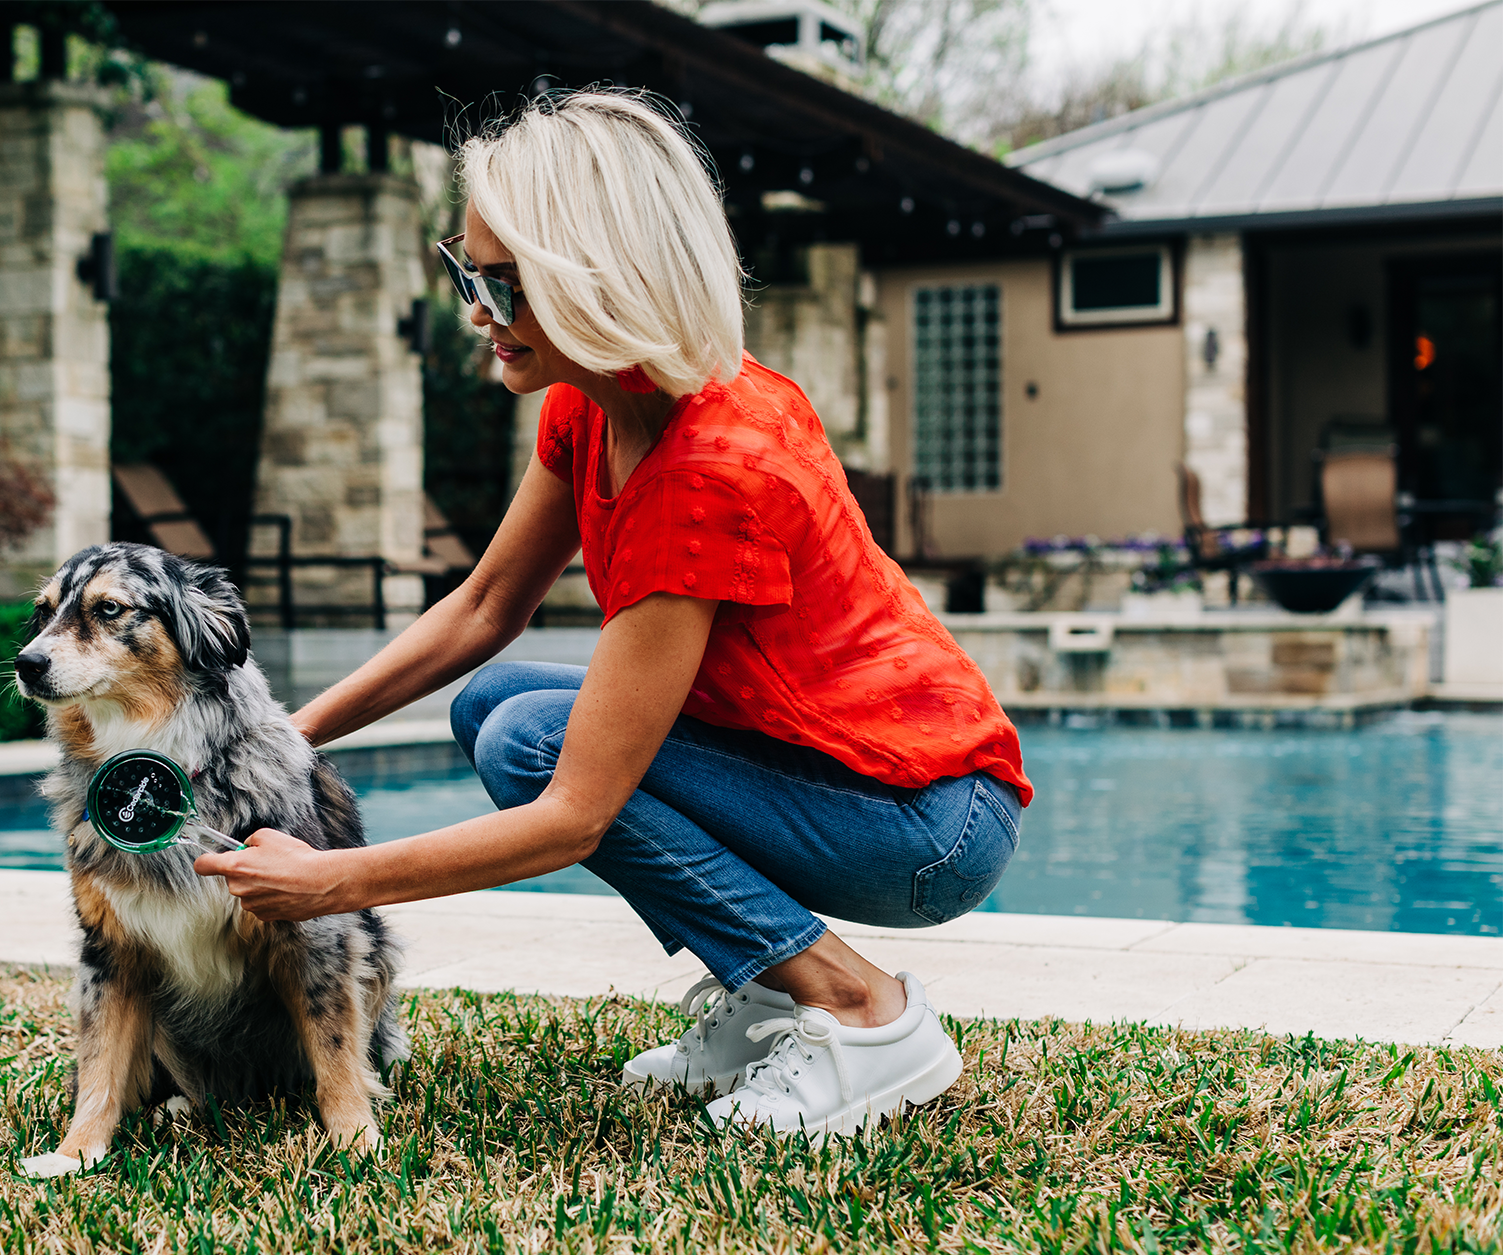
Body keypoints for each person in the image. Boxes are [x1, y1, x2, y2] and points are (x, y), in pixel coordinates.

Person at [195, 89, 1031, 1140]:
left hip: (923, 823)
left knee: (536, 742)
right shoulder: (594, 402)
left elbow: (574, 814)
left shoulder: (710, 468)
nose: (474, 312)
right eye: (469, 270)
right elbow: (485, 608)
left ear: (600, 282)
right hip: (831, 764)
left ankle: (864, 1014)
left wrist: (322, 882)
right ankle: (772, 998)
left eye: (505, 286)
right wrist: (273, 740)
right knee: (496, 701)